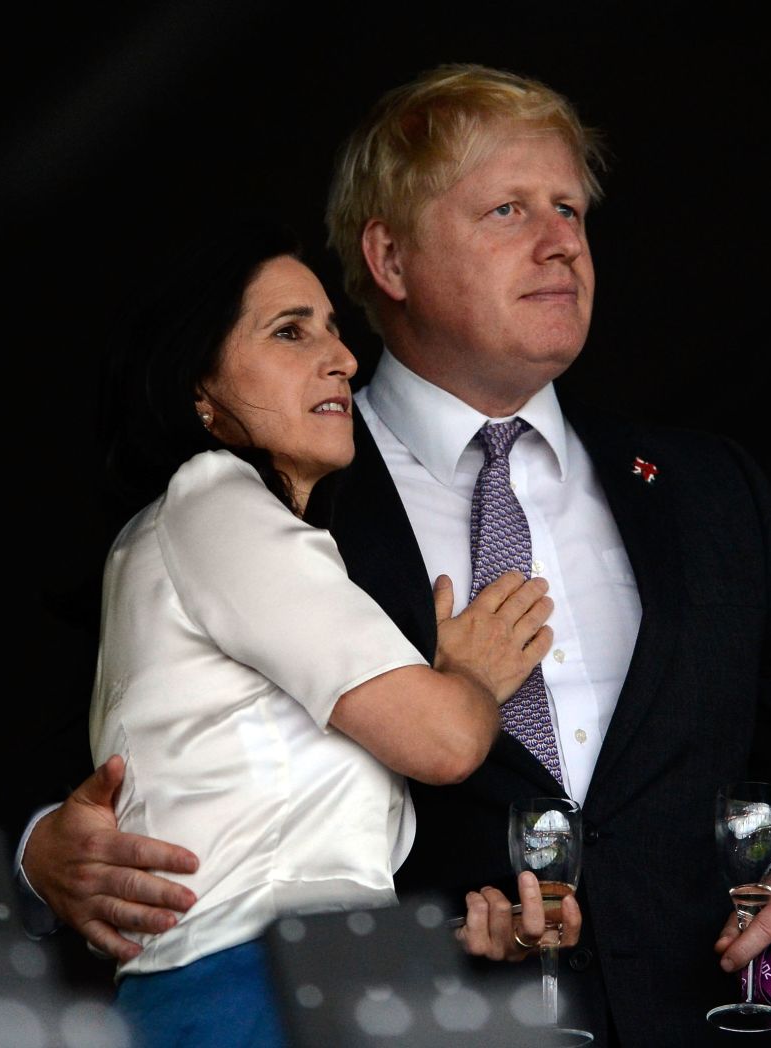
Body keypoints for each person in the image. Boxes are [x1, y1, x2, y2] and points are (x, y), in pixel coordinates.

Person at [22, 66, 771, 1045]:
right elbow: (122, 725)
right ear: (387, 257)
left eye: (570, 208)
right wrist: (46, 854)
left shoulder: (711, 489)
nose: (561, 241)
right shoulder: (270, 499)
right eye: (509, 209)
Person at [79, 219, 567, 1047]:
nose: (340, 357)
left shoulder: (243, 540)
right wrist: (471, 680)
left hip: (320, 976)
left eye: (335, 332)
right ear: (203, 388)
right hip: (247, 989)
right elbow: (443, 739)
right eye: (290, 332)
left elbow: (287, 843)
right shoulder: (213, 500)